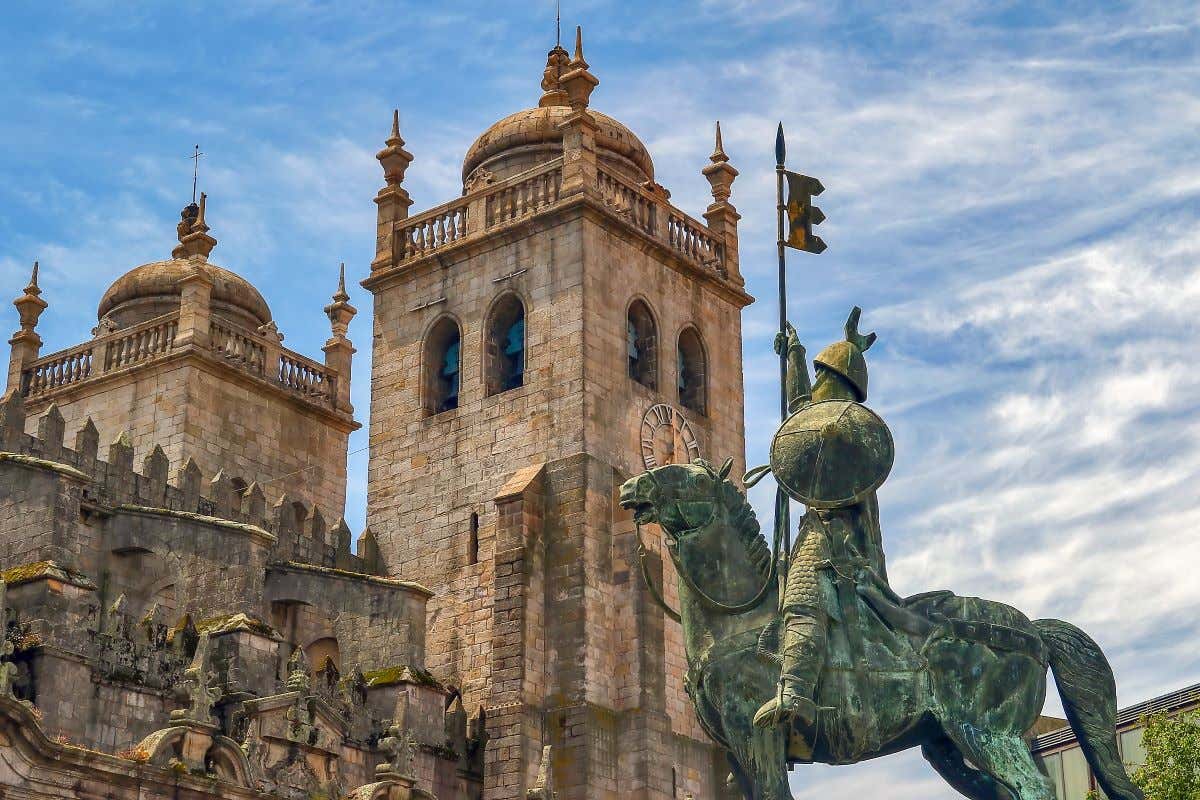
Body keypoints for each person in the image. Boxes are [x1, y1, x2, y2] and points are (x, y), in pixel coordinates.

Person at [753, 310, 891, 729]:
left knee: (801, 594)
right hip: (813, 532)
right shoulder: (824, 425)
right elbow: (799, 420)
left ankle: (795, 695)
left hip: (836, 539)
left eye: (819, 377)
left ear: (834, 381)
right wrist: (795, 355)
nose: (814, 387)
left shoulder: (849, 435)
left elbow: (805, 420)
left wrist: (839, 350)